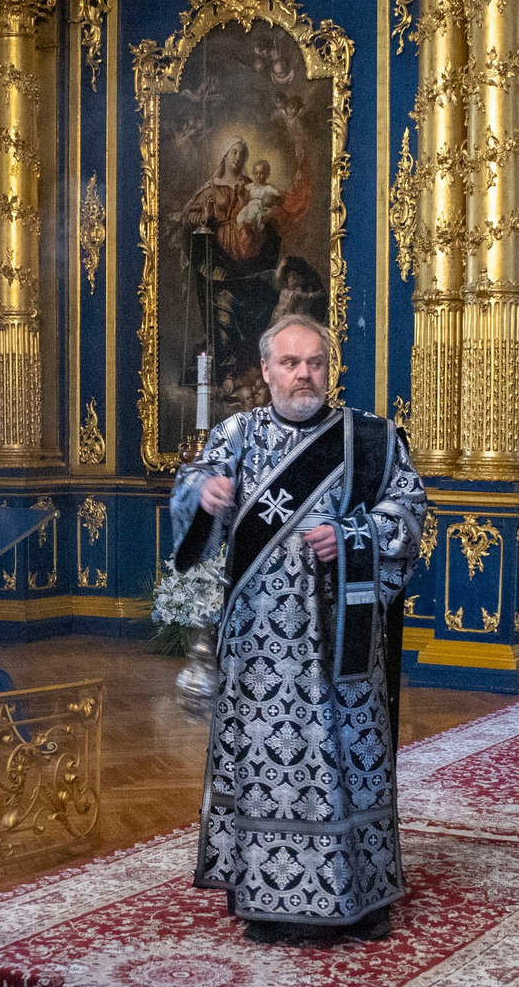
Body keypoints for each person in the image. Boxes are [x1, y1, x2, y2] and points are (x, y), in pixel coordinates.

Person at [167, 315, 427, 944]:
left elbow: (410, 511)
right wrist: (203, 494)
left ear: (328, 367)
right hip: (260, 648)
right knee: (266, 766)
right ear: (266, 371)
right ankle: (266, 896)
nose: (303, 374)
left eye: (314, 362)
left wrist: (350, 535)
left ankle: (361, 897)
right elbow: (187, 491)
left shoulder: (370, 440)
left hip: (342, 640)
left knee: (350, 758)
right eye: (289, 363)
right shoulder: (238, 434)